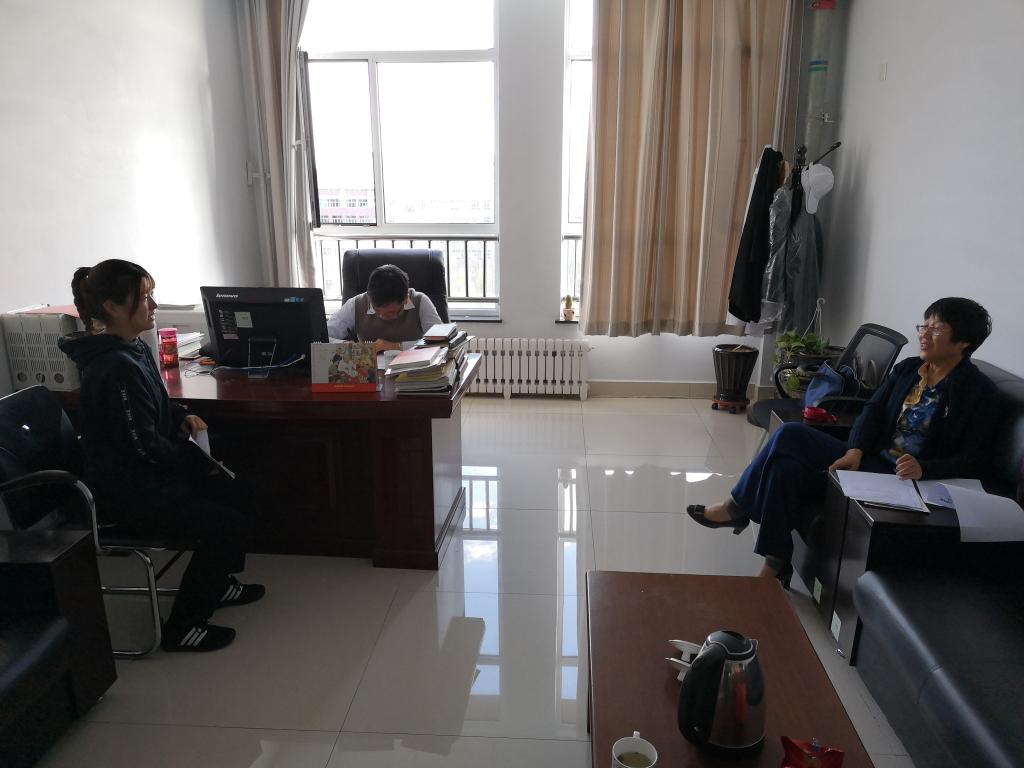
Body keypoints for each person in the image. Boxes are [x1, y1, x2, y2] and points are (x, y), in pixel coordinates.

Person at [687, 297, 997, 584]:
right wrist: (855, 449)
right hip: (871, 458)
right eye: (924, 325)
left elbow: (975, 459)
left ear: (963, 341)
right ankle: (773, 558)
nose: (924, 334)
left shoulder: (978, 392)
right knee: (786, 455)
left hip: (902, 478)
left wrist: (925, 469)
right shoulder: (908, 370)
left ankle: (742, 516)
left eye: (936, 329)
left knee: (787, 445)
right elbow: (873, 411)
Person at [59, 260, 265, 652]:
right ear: (112, 307)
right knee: (225, 523)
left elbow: (154, 405)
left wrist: (181, 415)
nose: (153, 305)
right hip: (129, 492)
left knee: (241, 492)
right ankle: (183, 626)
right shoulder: (114, 366)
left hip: (148, 474)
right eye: (144, 297)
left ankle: (218, 581)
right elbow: (141, 445)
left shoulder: (132, 349)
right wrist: (193, 464)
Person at [326, 264, 442, 353]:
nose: (381, 316)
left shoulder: (420, 301)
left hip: (413, 369)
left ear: (405, 299)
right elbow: (322, 337)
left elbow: (442, 342)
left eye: (390, 312)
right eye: (376, 310)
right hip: (370, 371)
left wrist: (396, 346)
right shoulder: (356, 304)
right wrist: (343, 344)